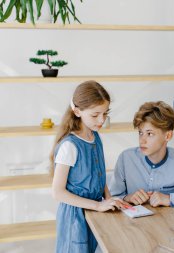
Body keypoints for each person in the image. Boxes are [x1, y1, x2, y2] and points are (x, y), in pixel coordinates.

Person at [50, 81, 130, 253]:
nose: (101, 120)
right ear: (77, 111)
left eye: (105, 114)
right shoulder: (70, 146)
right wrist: (98, 206)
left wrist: (109, 199)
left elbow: (99, 175)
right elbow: (57, 192)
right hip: (75, 217)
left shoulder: (95, 137)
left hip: (93, 211)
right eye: (95, 115)